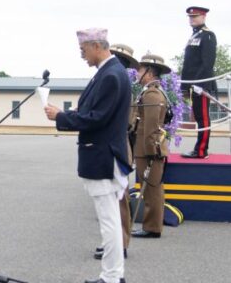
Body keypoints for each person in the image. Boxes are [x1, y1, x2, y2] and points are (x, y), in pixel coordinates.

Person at [45, 28, 131, 283]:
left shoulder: (111, 75)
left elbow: (97, 118)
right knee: (110, 220)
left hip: (103, 157)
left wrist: (61, 116)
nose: (82, 55)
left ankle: (112, 277)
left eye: (83, 50)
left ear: (96, 46)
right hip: (104, 155)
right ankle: (114, 275)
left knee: (109, 222)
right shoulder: (109, 73)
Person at [94, 44, 139, 260]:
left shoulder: (119, 83)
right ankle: (112, 242)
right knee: (111, 200)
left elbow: (128, 123)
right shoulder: (112, 81)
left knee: (119, 199)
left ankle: (120, 244)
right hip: (111, 146)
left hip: (118, 146)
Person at [131, 54, 171, 239]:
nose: (137, 73)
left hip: (149, 149)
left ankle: (152, 228)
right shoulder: (149, 91)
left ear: (149, 72)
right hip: (146, 148)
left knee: (152, 189)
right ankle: (152, 226)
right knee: (149, 188)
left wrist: (150, 152)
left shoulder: (152, 93)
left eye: (140, 70)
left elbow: (151, 127)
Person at [181, 6, 217, 159]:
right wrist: (184, 86)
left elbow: (207, 63)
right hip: (192, 85)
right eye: (190, 17)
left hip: (201, 85)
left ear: (203, 17)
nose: (192, 19)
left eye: (195, 16)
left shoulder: (208, 36)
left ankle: (201, 151)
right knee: (198, 116)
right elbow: (188, 64)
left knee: (203, 118)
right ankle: (199, 149)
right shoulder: (194, 36)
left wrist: (199, 84)